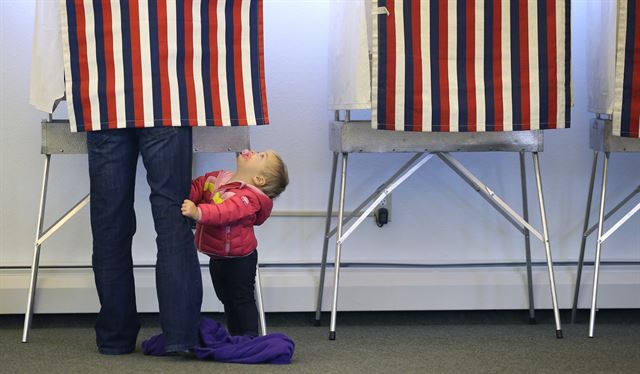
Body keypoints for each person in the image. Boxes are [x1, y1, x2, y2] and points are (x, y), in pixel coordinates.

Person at [88, 127, 202, 354]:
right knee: (172, 217)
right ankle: (180, 336)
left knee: (110, 224)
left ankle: (115, 338)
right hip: (164, 101)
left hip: (104, 101)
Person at [181, 149, 288, 336]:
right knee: (226, 299)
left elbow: (226, 212)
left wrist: (198, 213)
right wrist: (186, 193)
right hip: (218, 256)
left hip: (240, 260)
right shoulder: (222, 178)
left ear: (259, 179)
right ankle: (235, 337)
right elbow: (201, 184)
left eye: (261, 156)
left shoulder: (248, 199)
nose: (253, 151)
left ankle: (248, 338)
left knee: (241, 299)